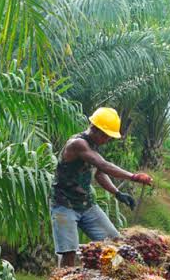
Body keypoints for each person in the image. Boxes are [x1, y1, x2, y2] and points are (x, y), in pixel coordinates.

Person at [51, 107, 153, 266]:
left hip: (86, 205)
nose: (108, 140)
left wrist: (117, 193)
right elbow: (104, 165)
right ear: (96, 130)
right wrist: (133, 176)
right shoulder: (78, 143)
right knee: (69, 252)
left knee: (115, 242)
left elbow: (99, 174)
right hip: (64, 205)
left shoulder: (93, 145)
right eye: (107, 136)